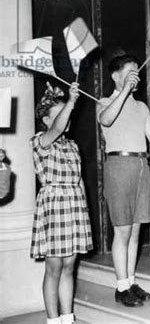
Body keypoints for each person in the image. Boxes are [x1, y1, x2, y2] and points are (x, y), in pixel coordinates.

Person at [97, 53, 150, 307]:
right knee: (123, 230)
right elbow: (105, 119)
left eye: (138, 72)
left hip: (140, 164)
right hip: (119, 165)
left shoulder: (140, 107)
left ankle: (131, 281)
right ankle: (121, 286)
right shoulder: (104, 101)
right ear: (116, 76)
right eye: (130, 72)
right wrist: (124, 91)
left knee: (136, 230)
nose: (136, 76)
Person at [31, 82, 93, 324]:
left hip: (74, 206)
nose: (65, 118)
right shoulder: (40, 141)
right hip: (54, 207)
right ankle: (53, 320)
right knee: (54, 268)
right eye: (57, 115)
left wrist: (85, 212)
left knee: (69, 267)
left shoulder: (72, 145)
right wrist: (71, 101)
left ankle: (68, 318)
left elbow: (79, 181)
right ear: (46, 121)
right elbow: (57, 129)